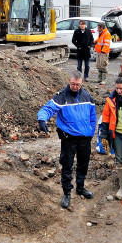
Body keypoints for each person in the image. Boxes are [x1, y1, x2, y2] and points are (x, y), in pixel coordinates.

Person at [37, 72, 97, 208]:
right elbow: (47, 109)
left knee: (83, 164)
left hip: (85, 139)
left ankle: (80, 188)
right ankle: (67, 193)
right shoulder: (61, 97)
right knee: (67, 165)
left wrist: (91, 132)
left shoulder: (87, 97)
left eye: (78, 84)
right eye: (73, 84)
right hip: (69, 139)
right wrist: (42, 119)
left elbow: (93, 116)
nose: (75, 87)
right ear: (69, 82)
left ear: (81, 83)